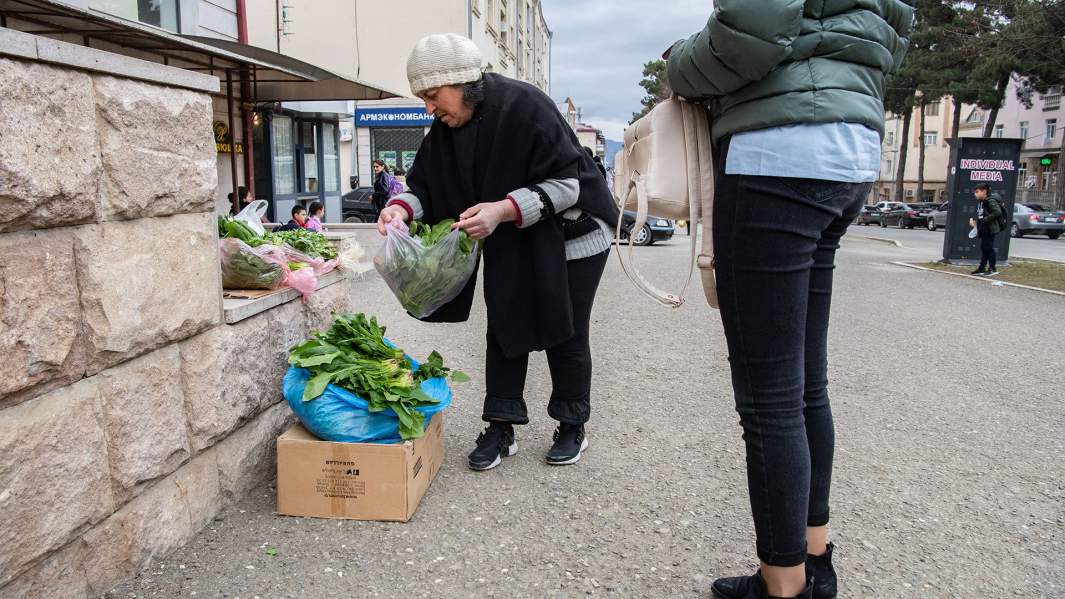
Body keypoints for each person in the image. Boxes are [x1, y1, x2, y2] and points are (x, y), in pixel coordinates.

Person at [664, 2, 914, 598]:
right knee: (805, 386)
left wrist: (678, 66)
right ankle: (814, 562)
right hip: (849, 154)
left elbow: (749, 34)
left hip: (775, 155)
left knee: (770, 400)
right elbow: (890, 43)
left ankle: (783, 588)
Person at [377, 33, 619, 470]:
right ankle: (501, 425)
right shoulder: (446, 130)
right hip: (515, 233)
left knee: (564, 327)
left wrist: (503, 208)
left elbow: (569, 185)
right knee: (505, 320)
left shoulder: (527, 107)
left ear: (462, 82)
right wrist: (399, 210)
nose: (428, 108)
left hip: (573, 232)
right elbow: (426, 189)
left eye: (432, 95)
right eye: (423, 98)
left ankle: (571, 423)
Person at [969, 183, 1004, 277]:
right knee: (984, 249)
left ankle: (993, 268)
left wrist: (985, 220)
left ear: (984, 191)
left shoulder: (990, 200)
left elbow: (997, 212)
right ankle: (981, 268)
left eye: (977, 192)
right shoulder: (981, 202)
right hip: (983, 229)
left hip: (989, 229)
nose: (975, 194)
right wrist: (976, 223)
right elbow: (982, 214)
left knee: (989, 248)